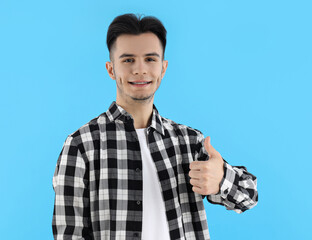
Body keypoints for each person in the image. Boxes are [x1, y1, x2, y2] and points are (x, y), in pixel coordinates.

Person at [52, 13, 258, 240]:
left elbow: (249, 196)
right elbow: (69, 234)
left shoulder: (188, 142)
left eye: (150, 59)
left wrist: (220, 179)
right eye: (128, 60)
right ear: (111, 69)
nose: (140, 70)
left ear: (163, 68)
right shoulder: (82, 145)